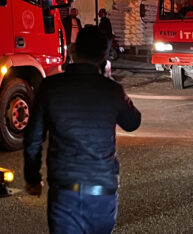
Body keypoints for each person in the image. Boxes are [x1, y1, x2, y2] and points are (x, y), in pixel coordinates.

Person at [24, 25, 142, 233]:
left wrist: (33, 178)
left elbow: (34, 138)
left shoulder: (50, 87)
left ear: (74, 51)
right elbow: (132, 122)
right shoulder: (112, 90)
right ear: (104, 55)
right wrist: (109, 81)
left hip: (64, 192)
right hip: (102, 191)